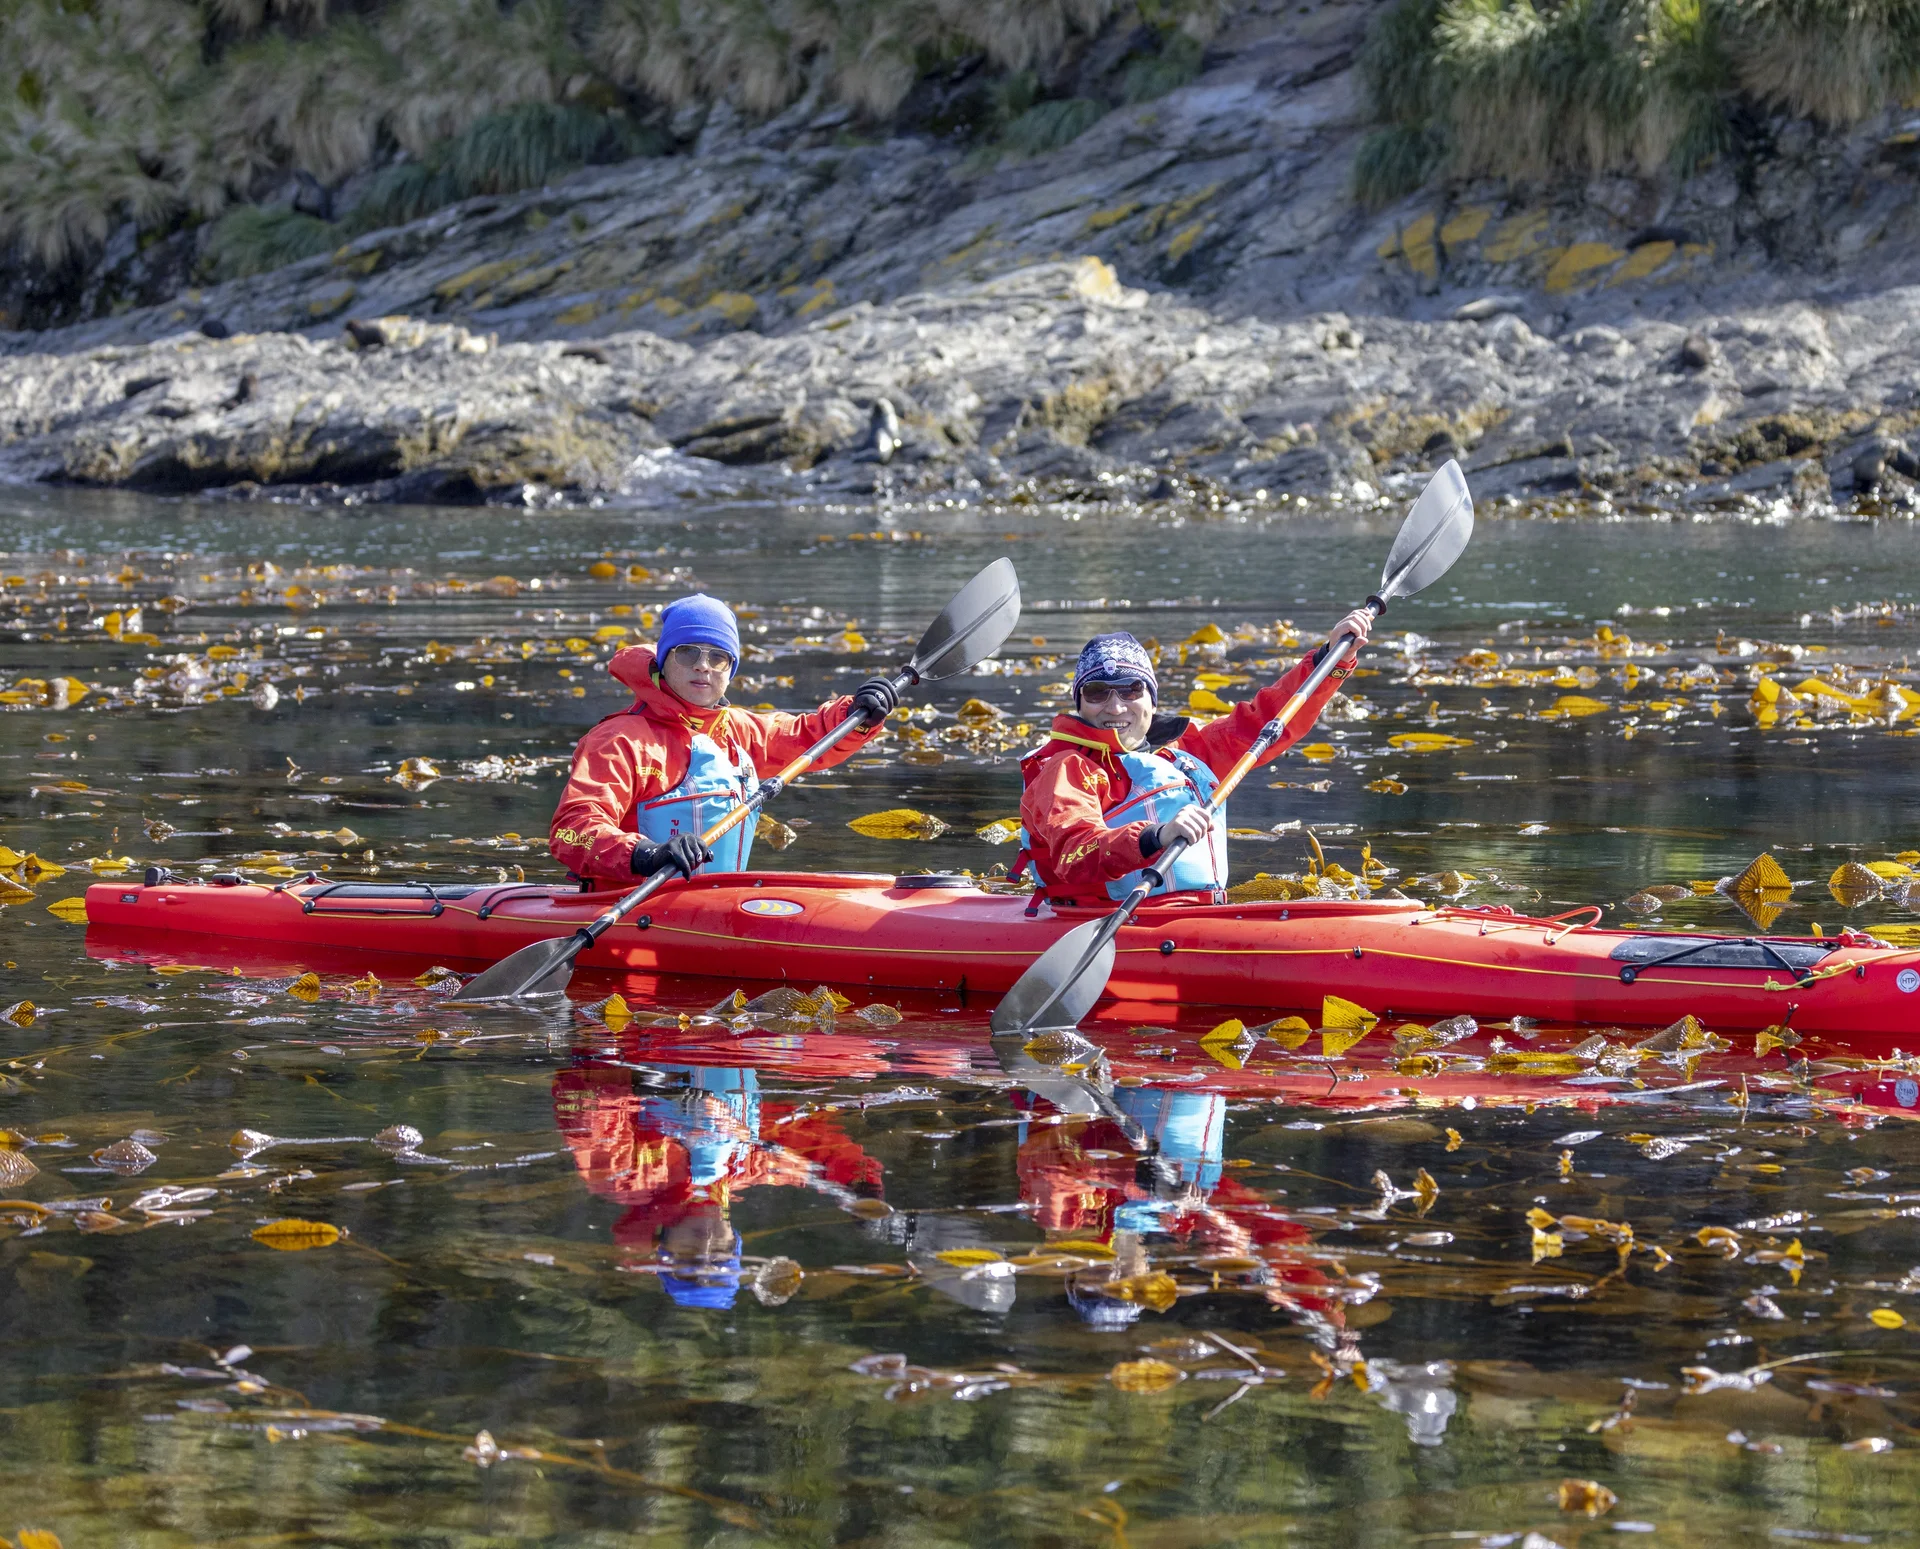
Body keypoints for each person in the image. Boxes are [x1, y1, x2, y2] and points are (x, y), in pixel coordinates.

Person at [1017, 613, 1372, 902]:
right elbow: (1075, 852)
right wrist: (1155, 836)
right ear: (1079, 704)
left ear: (1152, 700)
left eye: (1130, 689)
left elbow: (1268, 721)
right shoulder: (1065, 770)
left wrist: (1331, 659)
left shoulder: (1185, 754)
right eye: (1097, 693)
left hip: (1194, 915)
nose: (1115, 705)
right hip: (1099, 922)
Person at [550, 594, 899, 886]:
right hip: (624, 905)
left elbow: (807, 737)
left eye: (718, 657)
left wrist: (859, 715)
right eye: (688, 652)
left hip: (714, 903)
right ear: (664, 660)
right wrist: (646, 853)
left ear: (730, 670)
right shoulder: (620, 740)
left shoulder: (736, 730)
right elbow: (572, 829)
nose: (703, 666)